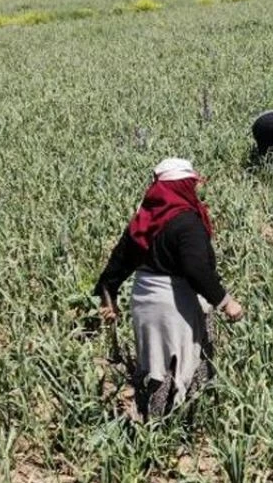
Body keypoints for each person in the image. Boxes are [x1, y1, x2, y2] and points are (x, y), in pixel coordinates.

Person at [95, 158, 244, 420]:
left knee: (154, 361)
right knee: (184, 360)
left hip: (144, 299)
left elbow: (120, 259)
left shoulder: (145, 219)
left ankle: (148, 419)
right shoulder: (186, 222)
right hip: (174, 302)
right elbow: (196, 269)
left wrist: (109, 293)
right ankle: (178, 423)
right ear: (185, 186)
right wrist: (225, 301)